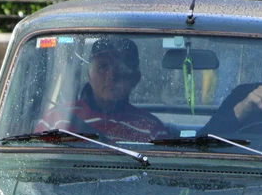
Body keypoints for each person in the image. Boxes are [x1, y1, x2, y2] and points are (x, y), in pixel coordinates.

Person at [35, 37, 166, 141]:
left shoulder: (151, 129)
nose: (111, 76)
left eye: (121, 68)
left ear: (135, 79)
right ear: (89, 75)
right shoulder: (56, 119)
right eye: (103, 67)